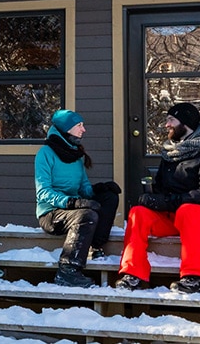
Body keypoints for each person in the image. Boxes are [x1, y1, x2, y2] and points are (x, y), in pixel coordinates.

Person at [115, 102, 200, 294]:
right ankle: (133, 273)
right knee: (138, 213)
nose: (167, 125)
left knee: (188, 210)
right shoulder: (170, 154)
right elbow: (162, 190)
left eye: (171, 120)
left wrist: (167, 201)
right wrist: (152, 199)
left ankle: (194, 277)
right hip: (173, 217)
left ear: (186, 124)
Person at [34, 109, 121, 288]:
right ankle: (68, 270)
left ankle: (95, 246)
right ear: (67, 129)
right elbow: (43, 192)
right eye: (79, 125)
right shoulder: (45, 153)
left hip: (73, 209)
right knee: (86, 215)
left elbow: (84, 190)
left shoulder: (75, 156)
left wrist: (101, 189)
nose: (84, 130)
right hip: (51, 213)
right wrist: (71, 202)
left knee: (109, 198)